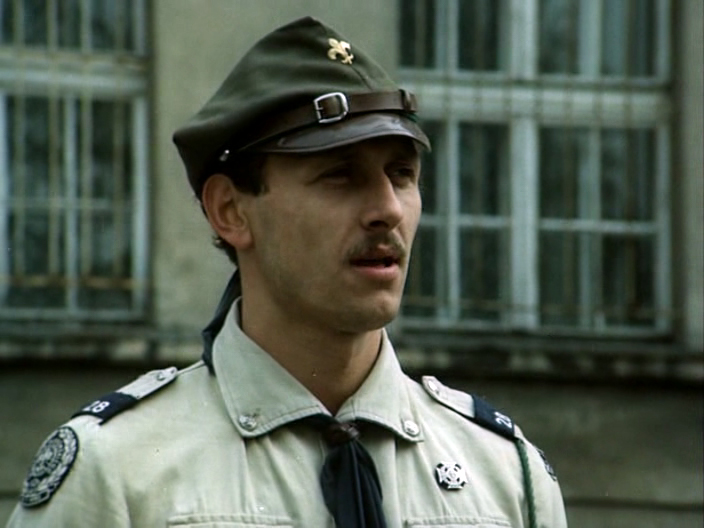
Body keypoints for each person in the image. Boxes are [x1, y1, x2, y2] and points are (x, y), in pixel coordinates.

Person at [7, 16, 568, 528]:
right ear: (231, 210)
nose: (388, 209)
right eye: (339, 176)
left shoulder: (504, 477)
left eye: (401, 174)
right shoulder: (120, 471)